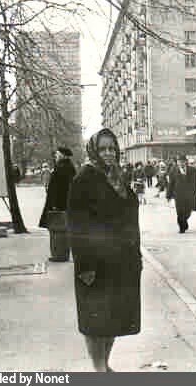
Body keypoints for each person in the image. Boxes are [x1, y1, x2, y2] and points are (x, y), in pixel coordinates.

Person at [65, 129, 141, 372]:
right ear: (94, 151)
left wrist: (136, 256)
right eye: (103, 149)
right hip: (95, 263)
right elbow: (75, 226)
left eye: (112, 148)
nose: (108, 153)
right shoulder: (84, 178)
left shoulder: (117, 177)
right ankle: (99, 369)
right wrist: (84, 265)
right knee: (95, 321)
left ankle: (104, 365)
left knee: (113, 319)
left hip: (122, 262)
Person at [38, 147, 76, 262]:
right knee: (63, 229)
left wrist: (54, 205)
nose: (56, 155)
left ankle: (58, 255)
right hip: (64, 205)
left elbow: (57, 189)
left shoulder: (61, 168)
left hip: (58, 206)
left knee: (56, 229)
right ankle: (62, 254)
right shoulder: (69, 167)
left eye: (57, 154)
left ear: (63, 155)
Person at [166, 155, 196, 233]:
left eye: (182, 161)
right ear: (177, 162)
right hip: (178, 195)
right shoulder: (173, 170)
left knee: (188, 211)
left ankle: (184, 221)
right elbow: (171, 183)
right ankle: (182, 228)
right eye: (179, 161)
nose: (181, 163)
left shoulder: (192, 170)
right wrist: (168, 195)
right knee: (180, 211)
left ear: (185, 162)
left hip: (189, 195)